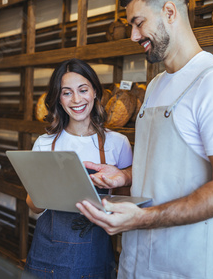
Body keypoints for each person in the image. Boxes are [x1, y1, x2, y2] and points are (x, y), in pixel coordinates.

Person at [76, 0, 213, 278]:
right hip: (138, 258)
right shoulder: (156, 85)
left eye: (139, 23)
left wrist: (142, 219)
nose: (133, 36)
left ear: (170, 11)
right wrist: (124, 176)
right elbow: (165, 165)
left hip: (192, 263)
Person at [23, 58, 133, 278]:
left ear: (95, 92)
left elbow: (124, 203)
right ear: (59, 99)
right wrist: (47, 188)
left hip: (94, 255)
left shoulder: (117, 143)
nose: (76, 99)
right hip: (47, 255)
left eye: (83, 90)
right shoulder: (45, 144)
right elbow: (33, 207)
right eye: (66, 92)